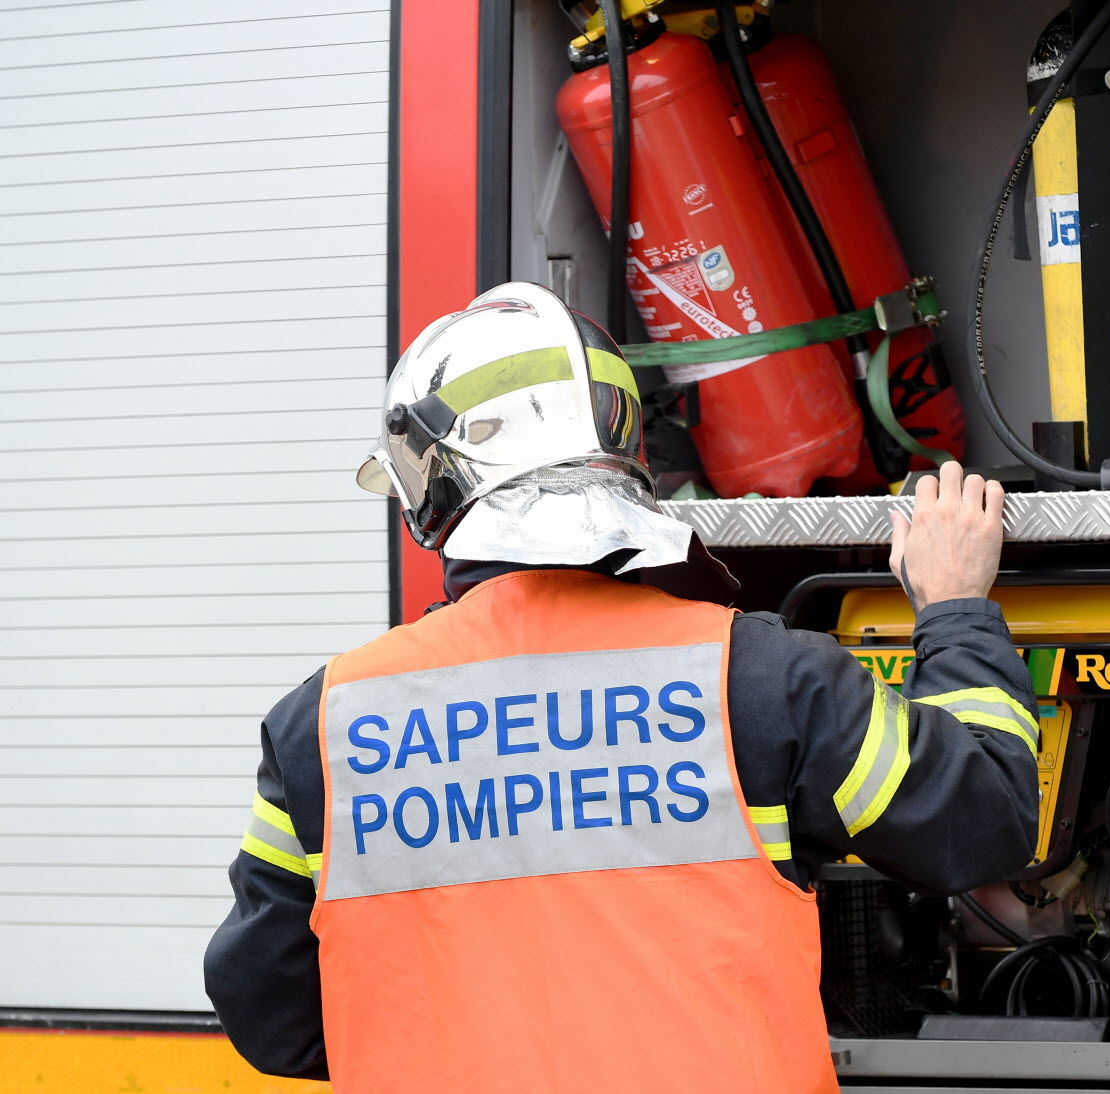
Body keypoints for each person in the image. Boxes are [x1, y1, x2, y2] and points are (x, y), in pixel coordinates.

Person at [204, 283, 1041, 1093]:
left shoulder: (321, 726)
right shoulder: (760, 683)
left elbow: (271, 1016)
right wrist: (957, 608)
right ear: (625, 448)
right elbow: (983, 823)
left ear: (435, 486)